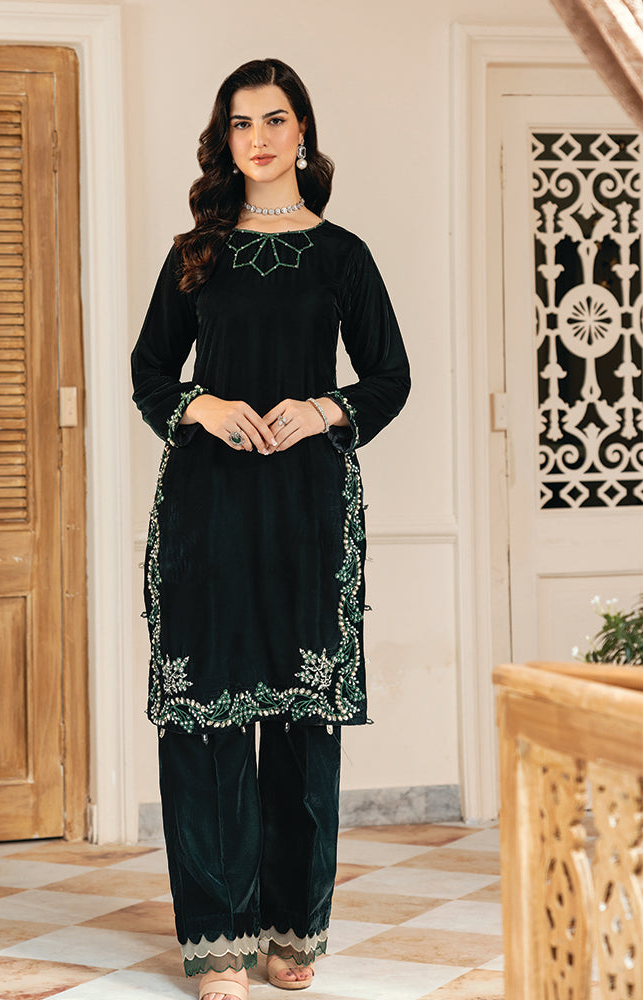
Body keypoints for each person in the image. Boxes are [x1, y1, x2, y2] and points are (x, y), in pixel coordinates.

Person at [131, 57, 410, 1000]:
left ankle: (292, 932)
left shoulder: (343, 256)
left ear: (303, 132)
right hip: (207, 509)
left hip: (306, 513)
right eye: (242, 122)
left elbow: (389, 377)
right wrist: (202, 406)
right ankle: (218, 944)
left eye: (275, 119)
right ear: (226, 139)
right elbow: (149, 372)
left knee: (300, 727)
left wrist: (325, 409)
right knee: (206, 724)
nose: (258, 137)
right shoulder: (195, 253)